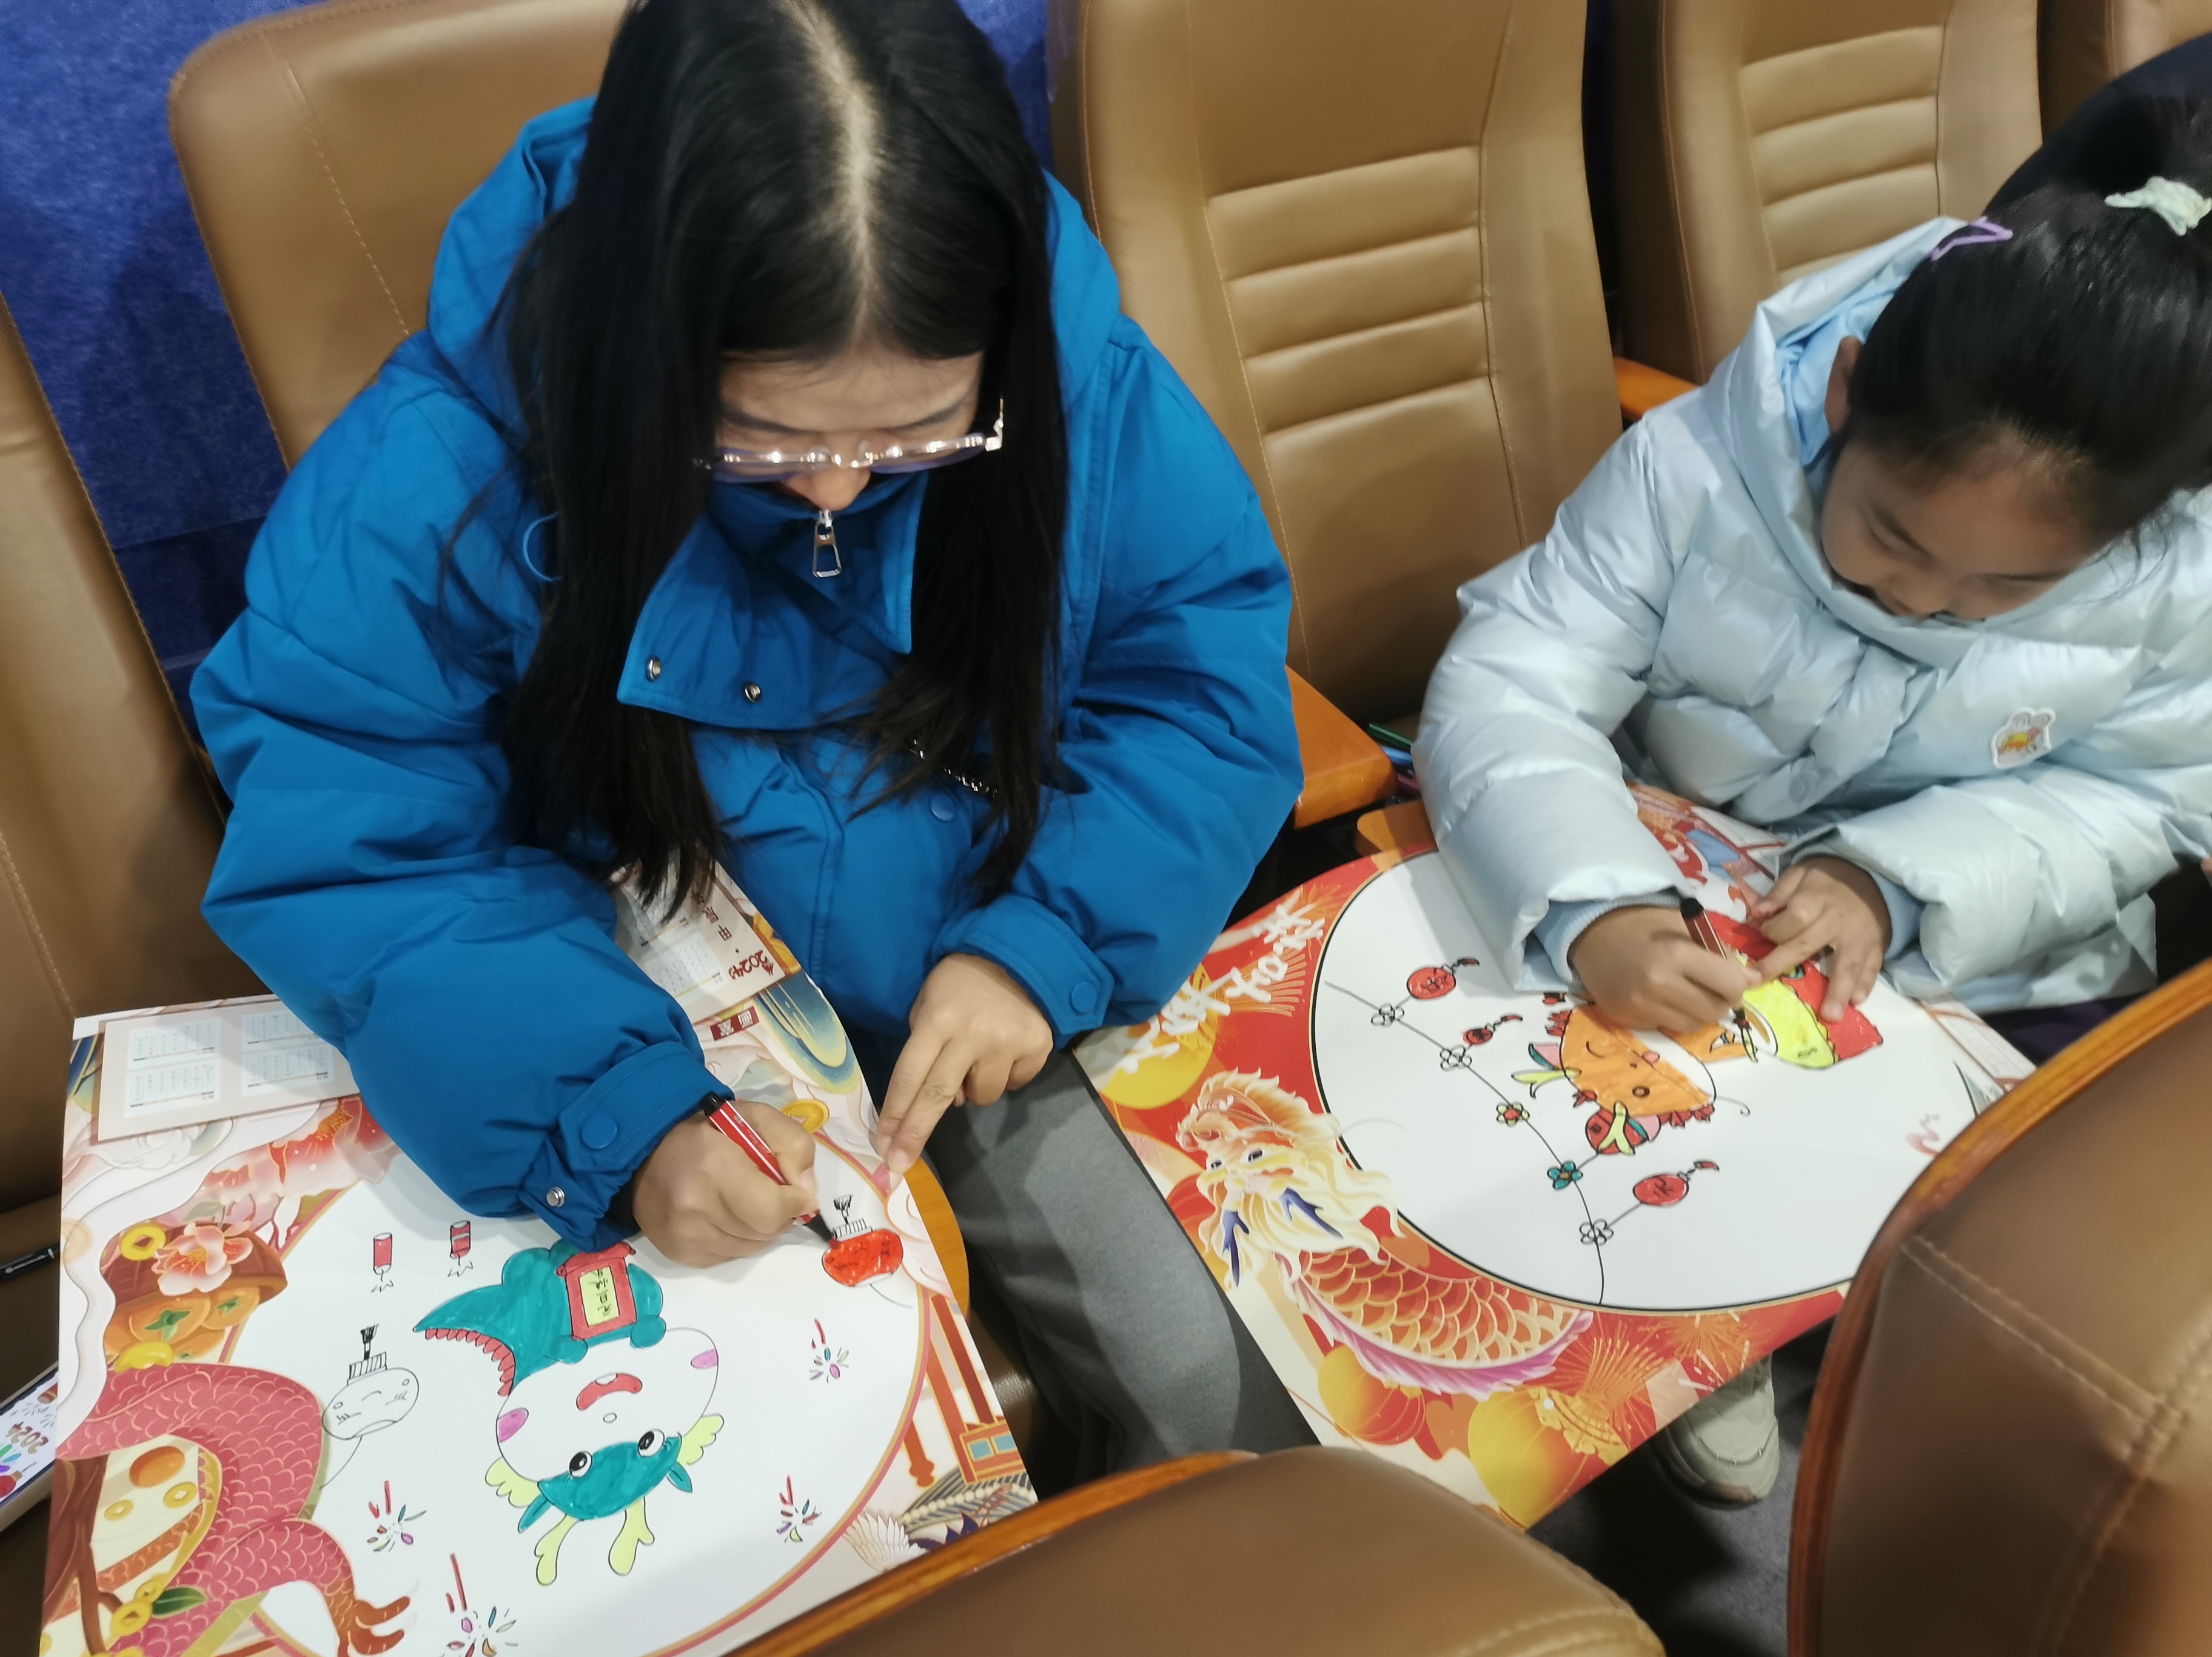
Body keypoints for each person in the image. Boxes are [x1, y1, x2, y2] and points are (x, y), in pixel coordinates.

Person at [192, 0, 1313, 1479]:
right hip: (632, 1030)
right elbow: (367, 845)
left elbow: (1196, 681)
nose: (840, 491)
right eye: (764, 442)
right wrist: (619, 1117)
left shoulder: (1080, 386)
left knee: (1220, 1395)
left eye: (917, 436)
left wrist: (1047, 942)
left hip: (988, 981)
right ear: (642, 342)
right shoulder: (438, 471)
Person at [1415, 105, 2212, 1504]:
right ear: (1843, 392)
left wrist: (1900, 881)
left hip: (1986, 944)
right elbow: (1513, 680)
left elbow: (2148, 800)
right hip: (1672, 870)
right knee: (1609, 1123)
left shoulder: (2170, 583)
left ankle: (1882, 1326)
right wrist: (1597, 900)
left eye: (2011, 590)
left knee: (2065, 1246)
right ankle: (1717, 1316)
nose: (1926, 598)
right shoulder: (1691, 472)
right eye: (1891, 535)